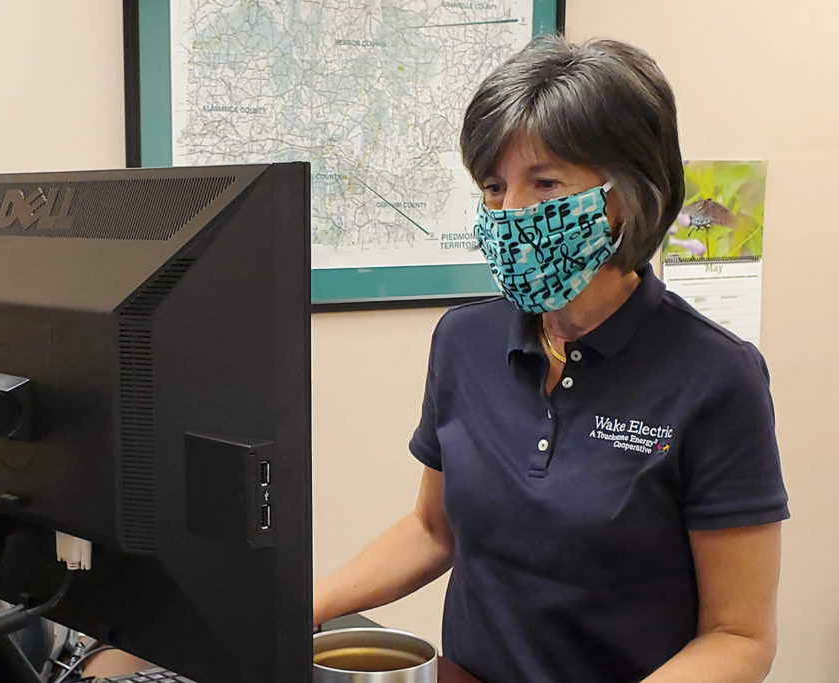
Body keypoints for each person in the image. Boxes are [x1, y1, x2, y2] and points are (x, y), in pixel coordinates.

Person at [313, 35, 788, 683]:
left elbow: (740, 635)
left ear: (623, 197)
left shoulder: (715, 375)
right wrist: (298, 608)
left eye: (544, 183)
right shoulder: (464, 340)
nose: (510, 214)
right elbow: (434, 528)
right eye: (493, 185)